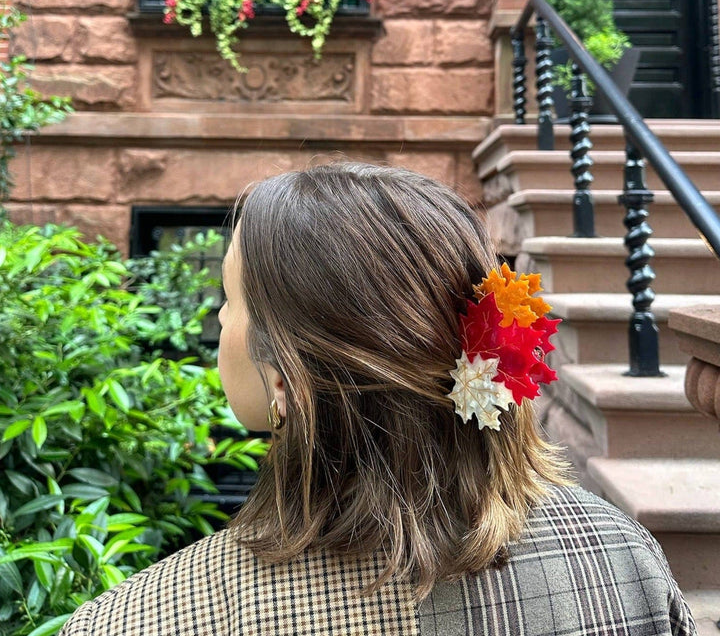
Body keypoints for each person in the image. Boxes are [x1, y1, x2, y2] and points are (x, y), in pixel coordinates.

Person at [60, 163, 696, 635]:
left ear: (287, 379)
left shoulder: (148, 618)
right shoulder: (621, 554)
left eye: (229, 299)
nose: (219, 318)